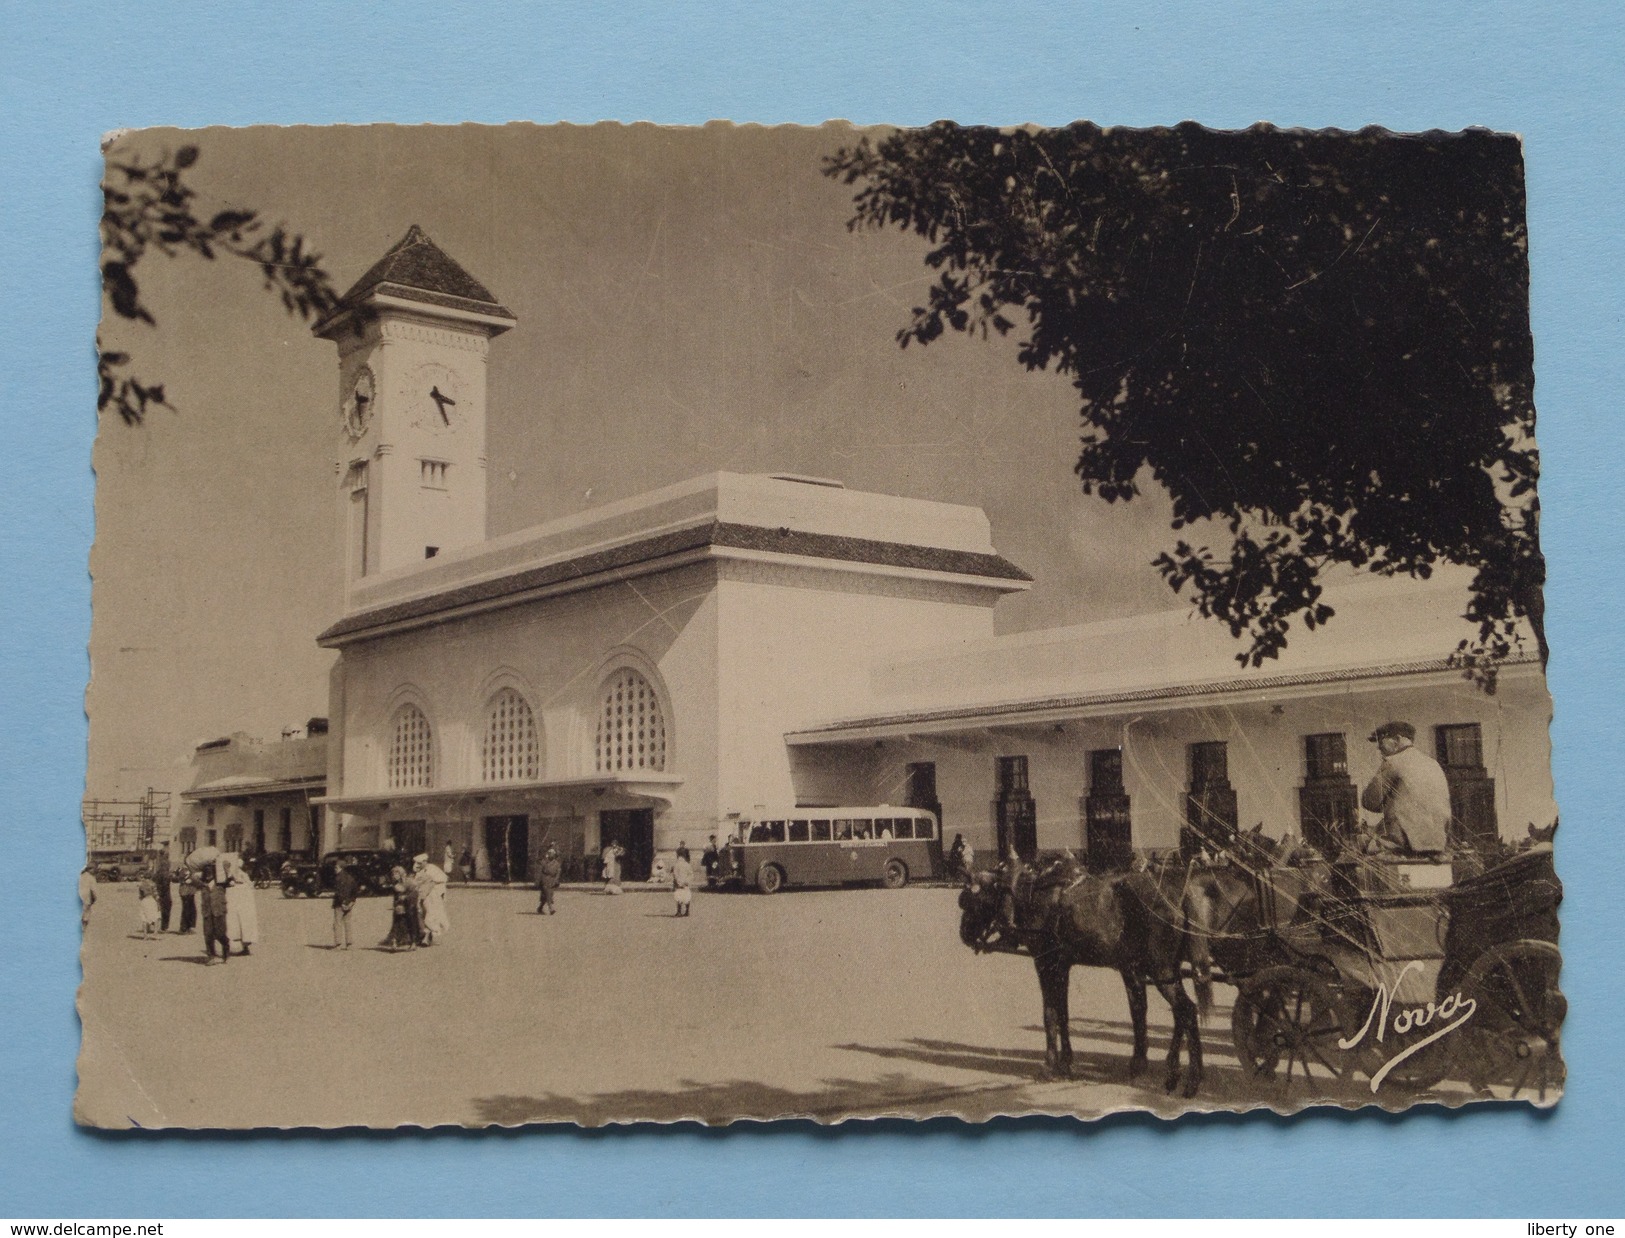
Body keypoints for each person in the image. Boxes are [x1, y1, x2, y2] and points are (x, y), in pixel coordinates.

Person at [1360, 720, 1453, 856]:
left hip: (1403, 843)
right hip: (1437, 842)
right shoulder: (1433, 764)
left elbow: (1369, 802)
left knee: (1357, 846)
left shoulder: (1393, 762)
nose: (1378, 748)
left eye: (1381, 742)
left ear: (1397, 739)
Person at [223, 853, 261, 955]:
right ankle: (244, 947)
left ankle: (242, 947)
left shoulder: (237, 876)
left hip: (239, 899)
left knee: (238, 922)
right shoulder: (243, 876)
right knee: (242, 922)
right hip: (243, 899)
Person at [199, 861, 231, 964]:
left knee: (220, 933)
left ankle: (226, 948)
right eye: (206, 871)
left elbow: (231, 880)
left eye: (210, 871)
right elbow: (192, 877)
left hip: (219, 911)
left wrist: (226, 869)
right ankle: (211, 956)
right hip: (207, 911)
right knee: (208, 934)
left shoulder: (221, 883)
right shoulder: (202, 884)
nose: (208, 874)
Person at [416, 853, 450, 945]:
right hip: (423, 895)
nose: (418, 865)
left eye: (420, 863)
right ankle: (425, 935)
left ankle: (427, 938)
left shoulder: (433, 868)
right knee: (422, 914)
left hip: (433, 895)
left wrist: (433, 884)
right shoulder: (420, 871)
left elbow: (443, 879)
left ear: (425, 861)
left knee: (431, 915)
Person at [383, 865, 418, 951]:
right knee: (396, 924)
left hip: (409, 906)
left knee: (411, 924)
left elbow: (415, 894)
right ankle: (394, 942)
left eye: (396, 874)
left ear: (401, 874)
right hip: (399, 906)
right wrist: (395, 905)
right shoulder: (395, 884)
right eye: (393, 874)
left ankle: (413, 942)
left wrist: (405, 897)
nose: (394, 876)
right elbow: (395, 896)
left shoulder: (409, 882)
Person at [331, 860, 359, 949]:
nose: (334, 869)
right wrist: (351, 902)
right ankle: (349, 944)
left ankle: (338, 944)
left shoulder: (338, 878)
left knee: (337, 923)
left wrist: (342, 902)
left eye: (336, 867)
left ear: (341, 868)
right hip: (349, 904)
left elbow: (339, 892)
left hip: (339, 904)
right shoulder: (351, 878)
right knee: (348, 923)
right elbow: (355, 891)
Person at [536, 843, 562, 915]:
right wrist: (538, 881)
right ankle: (551, 908)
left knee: (547, 895)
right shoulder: (544, 862)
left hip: (552, 880)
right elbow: (539, 871)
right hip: (545, 879)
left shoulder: (557, 863)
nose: (551, 855)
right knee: (548, 894)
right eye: (549, 853)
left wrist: (556, 880)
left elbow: (558, 872)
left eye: (552, 854)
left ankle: (540, 908)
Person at [671, 843, 694, 917]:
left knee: (679, 897)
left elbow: (675, 874)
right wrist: (687, 881)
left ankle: (679, 911)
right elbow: (690, 874)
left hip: (679, 883)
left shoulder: (676, 865)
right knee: (687, 896)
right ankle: (687, 911)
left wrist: (678, 881)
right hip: (685, 883)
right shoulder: (687, 865)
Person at [135, 873, 161, 938]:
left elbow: (140, 896)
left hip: (144, 901)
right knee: (155, 917)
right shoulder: (153, 884)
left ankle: (145, 935)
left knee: (144, 918)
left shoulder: (141, 885)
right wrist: (158, 903)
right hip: (151, 900)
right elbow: (156, 895)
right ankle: (155, 934)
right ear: (151, 877)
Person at [154, 851, 173, 932]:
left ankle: (155, 926)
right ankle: (164, 927)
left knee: (157, 909)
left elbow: (153, 879)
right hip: (164, 894)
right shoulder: (165, 873)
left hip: (158, 893)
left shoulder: (158, 873)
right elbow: (165, 885)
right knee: (166, 909)